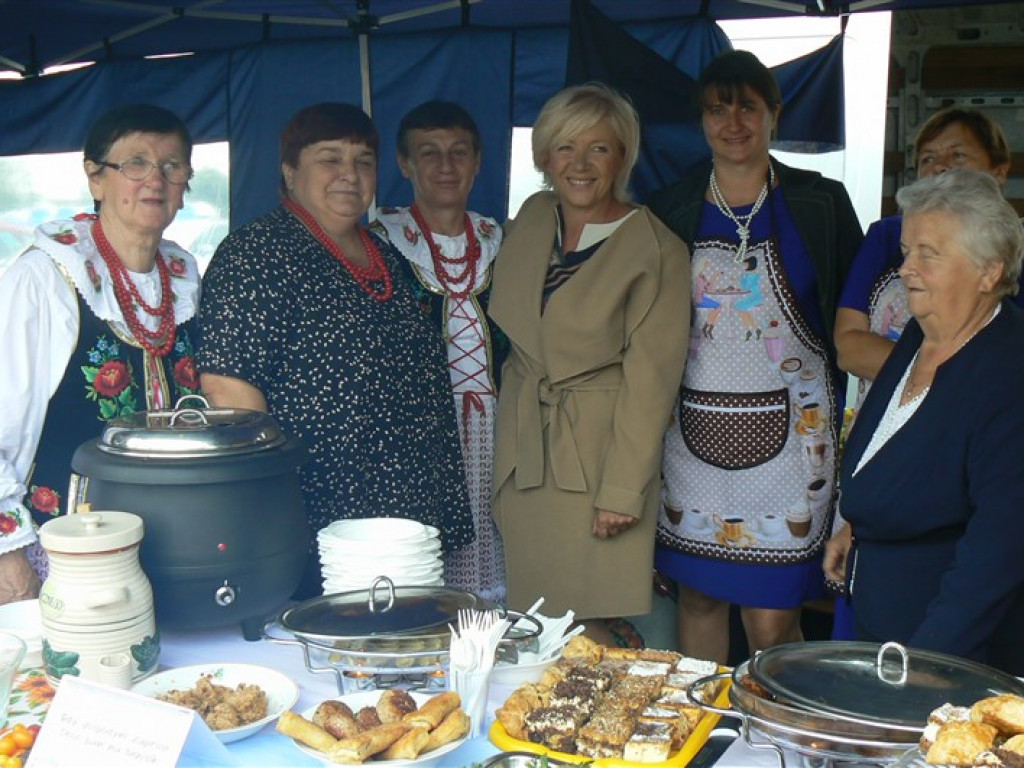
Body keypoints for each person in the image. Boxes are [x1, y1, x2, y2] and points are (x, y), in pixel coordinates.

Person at [198, 103, 473, 599]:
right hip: (321, 520)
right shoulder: (256, 254)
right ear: (289, 171)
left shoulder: (382, 252)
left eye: (363, 161)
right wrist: (276, 515)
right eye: (330, 159)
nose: (349, 175)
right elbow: (228, 390)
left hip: (404, 519)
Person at [648, 50, 863, 663]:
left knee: (772, 622)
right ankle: (705, 745)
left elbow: (855, 315)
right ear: (701, 121)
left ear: (775, 113)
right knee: (700, 605)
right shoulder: (672, 206)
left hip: (798, 441)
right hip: (690, 441)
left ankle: (776, 749)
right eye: (717, 109)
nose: (733, 122)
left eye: (748, 106)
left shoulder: (820, 202)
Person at [489, 83, 690, 645]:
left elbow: (652, 385)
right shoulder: (531, 217)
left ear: (623, 156)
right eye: (564, 148)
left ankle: (600, 731)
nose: (579, 165)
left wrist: (623, 492)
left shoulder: (658, 250)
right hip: (526, 451)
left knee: (589, 622)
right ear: (544, 157)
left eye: (598, 149)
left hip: (597, 459)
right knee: (538, 621)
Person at [825, 169, 1024, 675]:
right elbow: (900, 451)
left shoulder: (1009, 369)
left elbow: (998, 548)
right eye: (907, 251)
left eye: (928, 254)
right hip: (882, 618)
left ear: (989, 271)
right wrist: (858, 523)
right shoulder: (922, 334)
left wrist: (929, 665)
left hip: (945, 650)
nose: (906, 269)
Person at [0, 104, 200, 603]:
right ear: (95, 177)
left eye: (172, 166)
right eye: (134, 163)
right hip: (66, 558)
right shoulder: (45, 278)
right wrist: (9, 553)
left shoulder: (183, 275)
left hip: (175, 546)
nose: (155, 180)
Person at [374, 101, 508, 604]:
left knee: (498, 531)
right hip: (421, 428)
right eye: (428, 153)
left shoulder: (502, 238)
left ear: (477, 162)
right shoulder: (381, 242)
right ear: (405, 165)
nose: (445, 166)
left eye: (458, 153)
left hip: (500, 424)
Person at [836, 107, 1016, 414]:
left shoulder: (1011, 249)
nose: (940, 167)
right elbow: (849, 348)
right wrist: (941, 375)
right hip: (883, 418)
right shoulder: (885, 237)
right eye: (927, 158)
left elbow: (1009, 367)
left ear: (999, 171)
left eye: (957, 156)